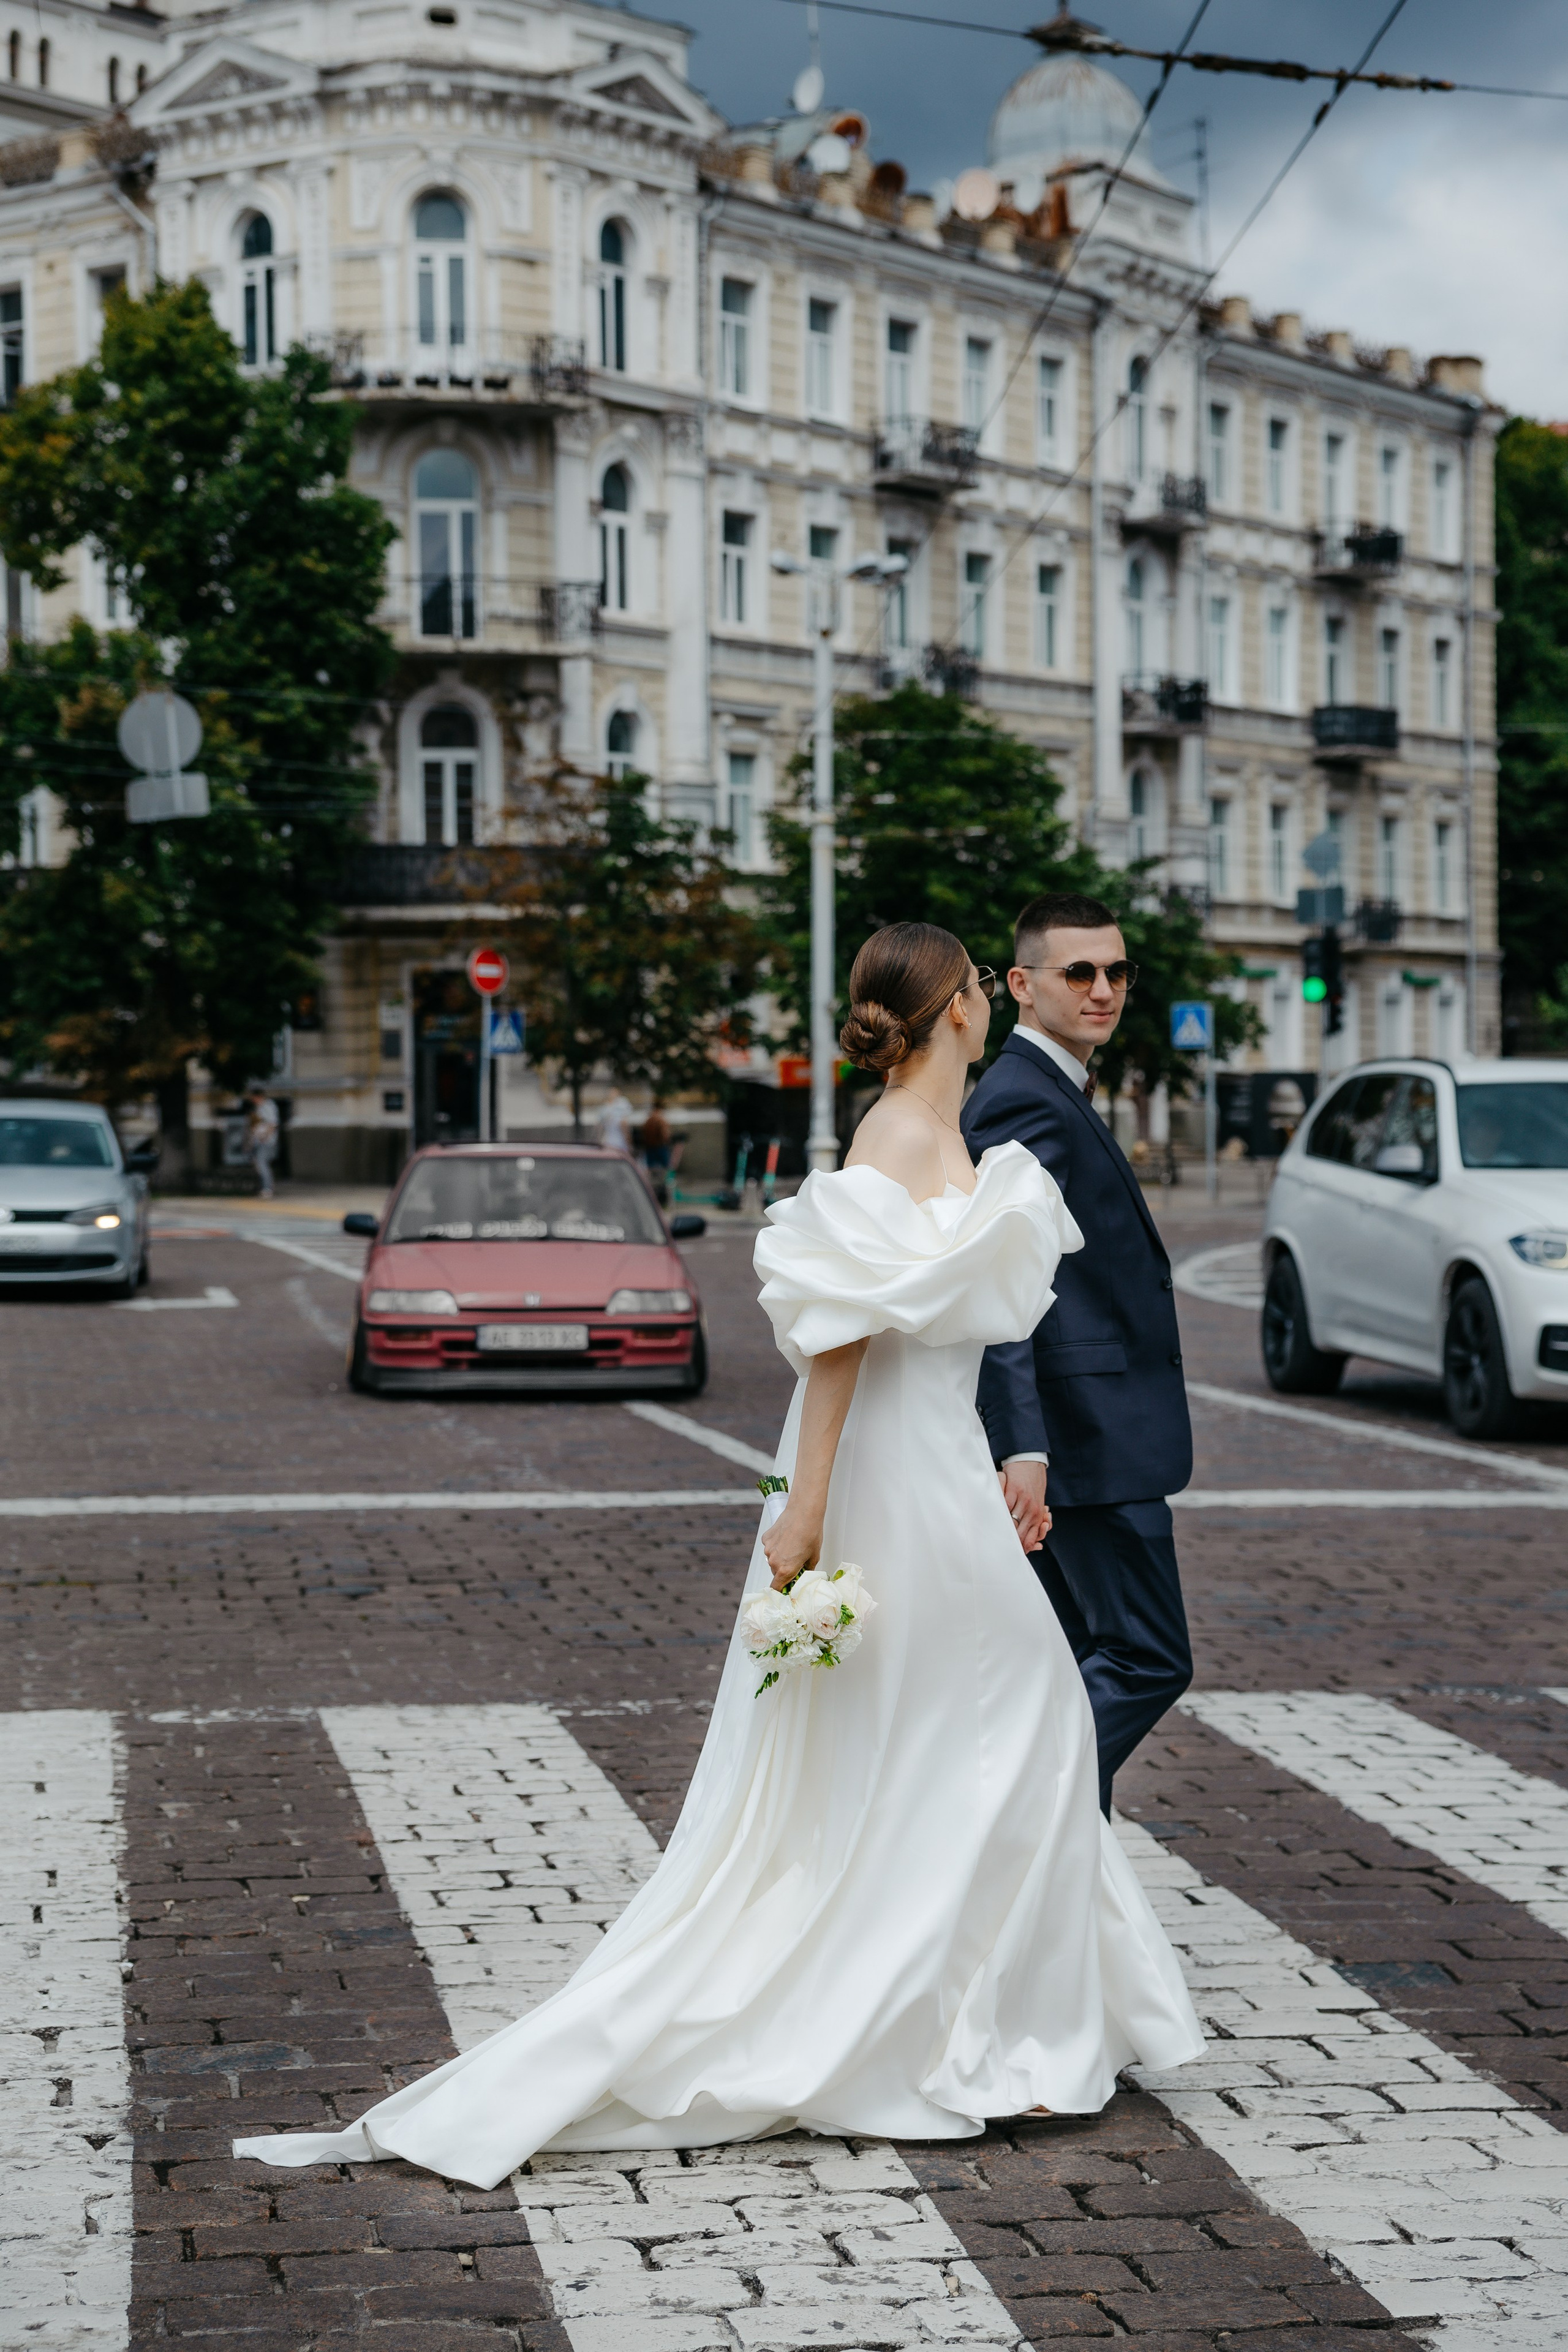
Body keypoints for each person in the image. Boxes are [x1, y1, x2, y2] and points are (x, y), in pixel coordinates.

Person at [233, 920, 1200, 2189]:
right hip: (894, 1477)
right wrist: (804, 1511)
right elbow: (842, 1336)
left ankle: (988, 2013)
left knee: (991, 1730)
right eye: (977, 987)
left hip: (946, 1466)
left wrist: (1001, 1454)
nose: (984, 1003)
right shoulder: (896, 1140)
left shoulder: (949, 1134)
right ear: (960, 1010)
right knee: (1002, 1720)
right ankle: (953, 2021)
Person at [961, 892, 1194, 1818]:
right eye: (1080, 973)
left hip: (1088, 1437)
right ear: (1021, 984)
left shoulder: (1056, 1087)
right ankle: (1018, 1823)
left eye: (1118, 972)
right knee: (1146, 1654)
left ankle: (1058, 1877)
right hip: (1086, 1442)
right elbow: (1001, 1292)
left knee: (1069, 1659)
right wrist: (1027, 1445)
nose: (1105, 989)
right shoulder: (1023, 1097)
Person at [243, 1084, 279, 1200]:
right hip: (259, 1141)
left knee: (262, 1164)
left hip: (266, 1141)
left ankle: (267, 1189)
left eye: (254, 1097)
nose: (252, 1100)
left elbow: (273, 1124)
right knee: (259, 1164)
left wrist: (265, 1136)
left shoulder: (268, 1106)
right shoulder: (259, 1108)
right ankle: (265, 1188)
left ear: (259, 1096)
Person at [596, 1089, 635, 1153]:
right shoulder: (622, 1105)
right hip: (620, 1144)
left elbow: (599, 1129)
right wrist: (630, 1144)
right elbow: (624, 1126)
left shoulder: (605, 1109)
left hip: (607, 1143)